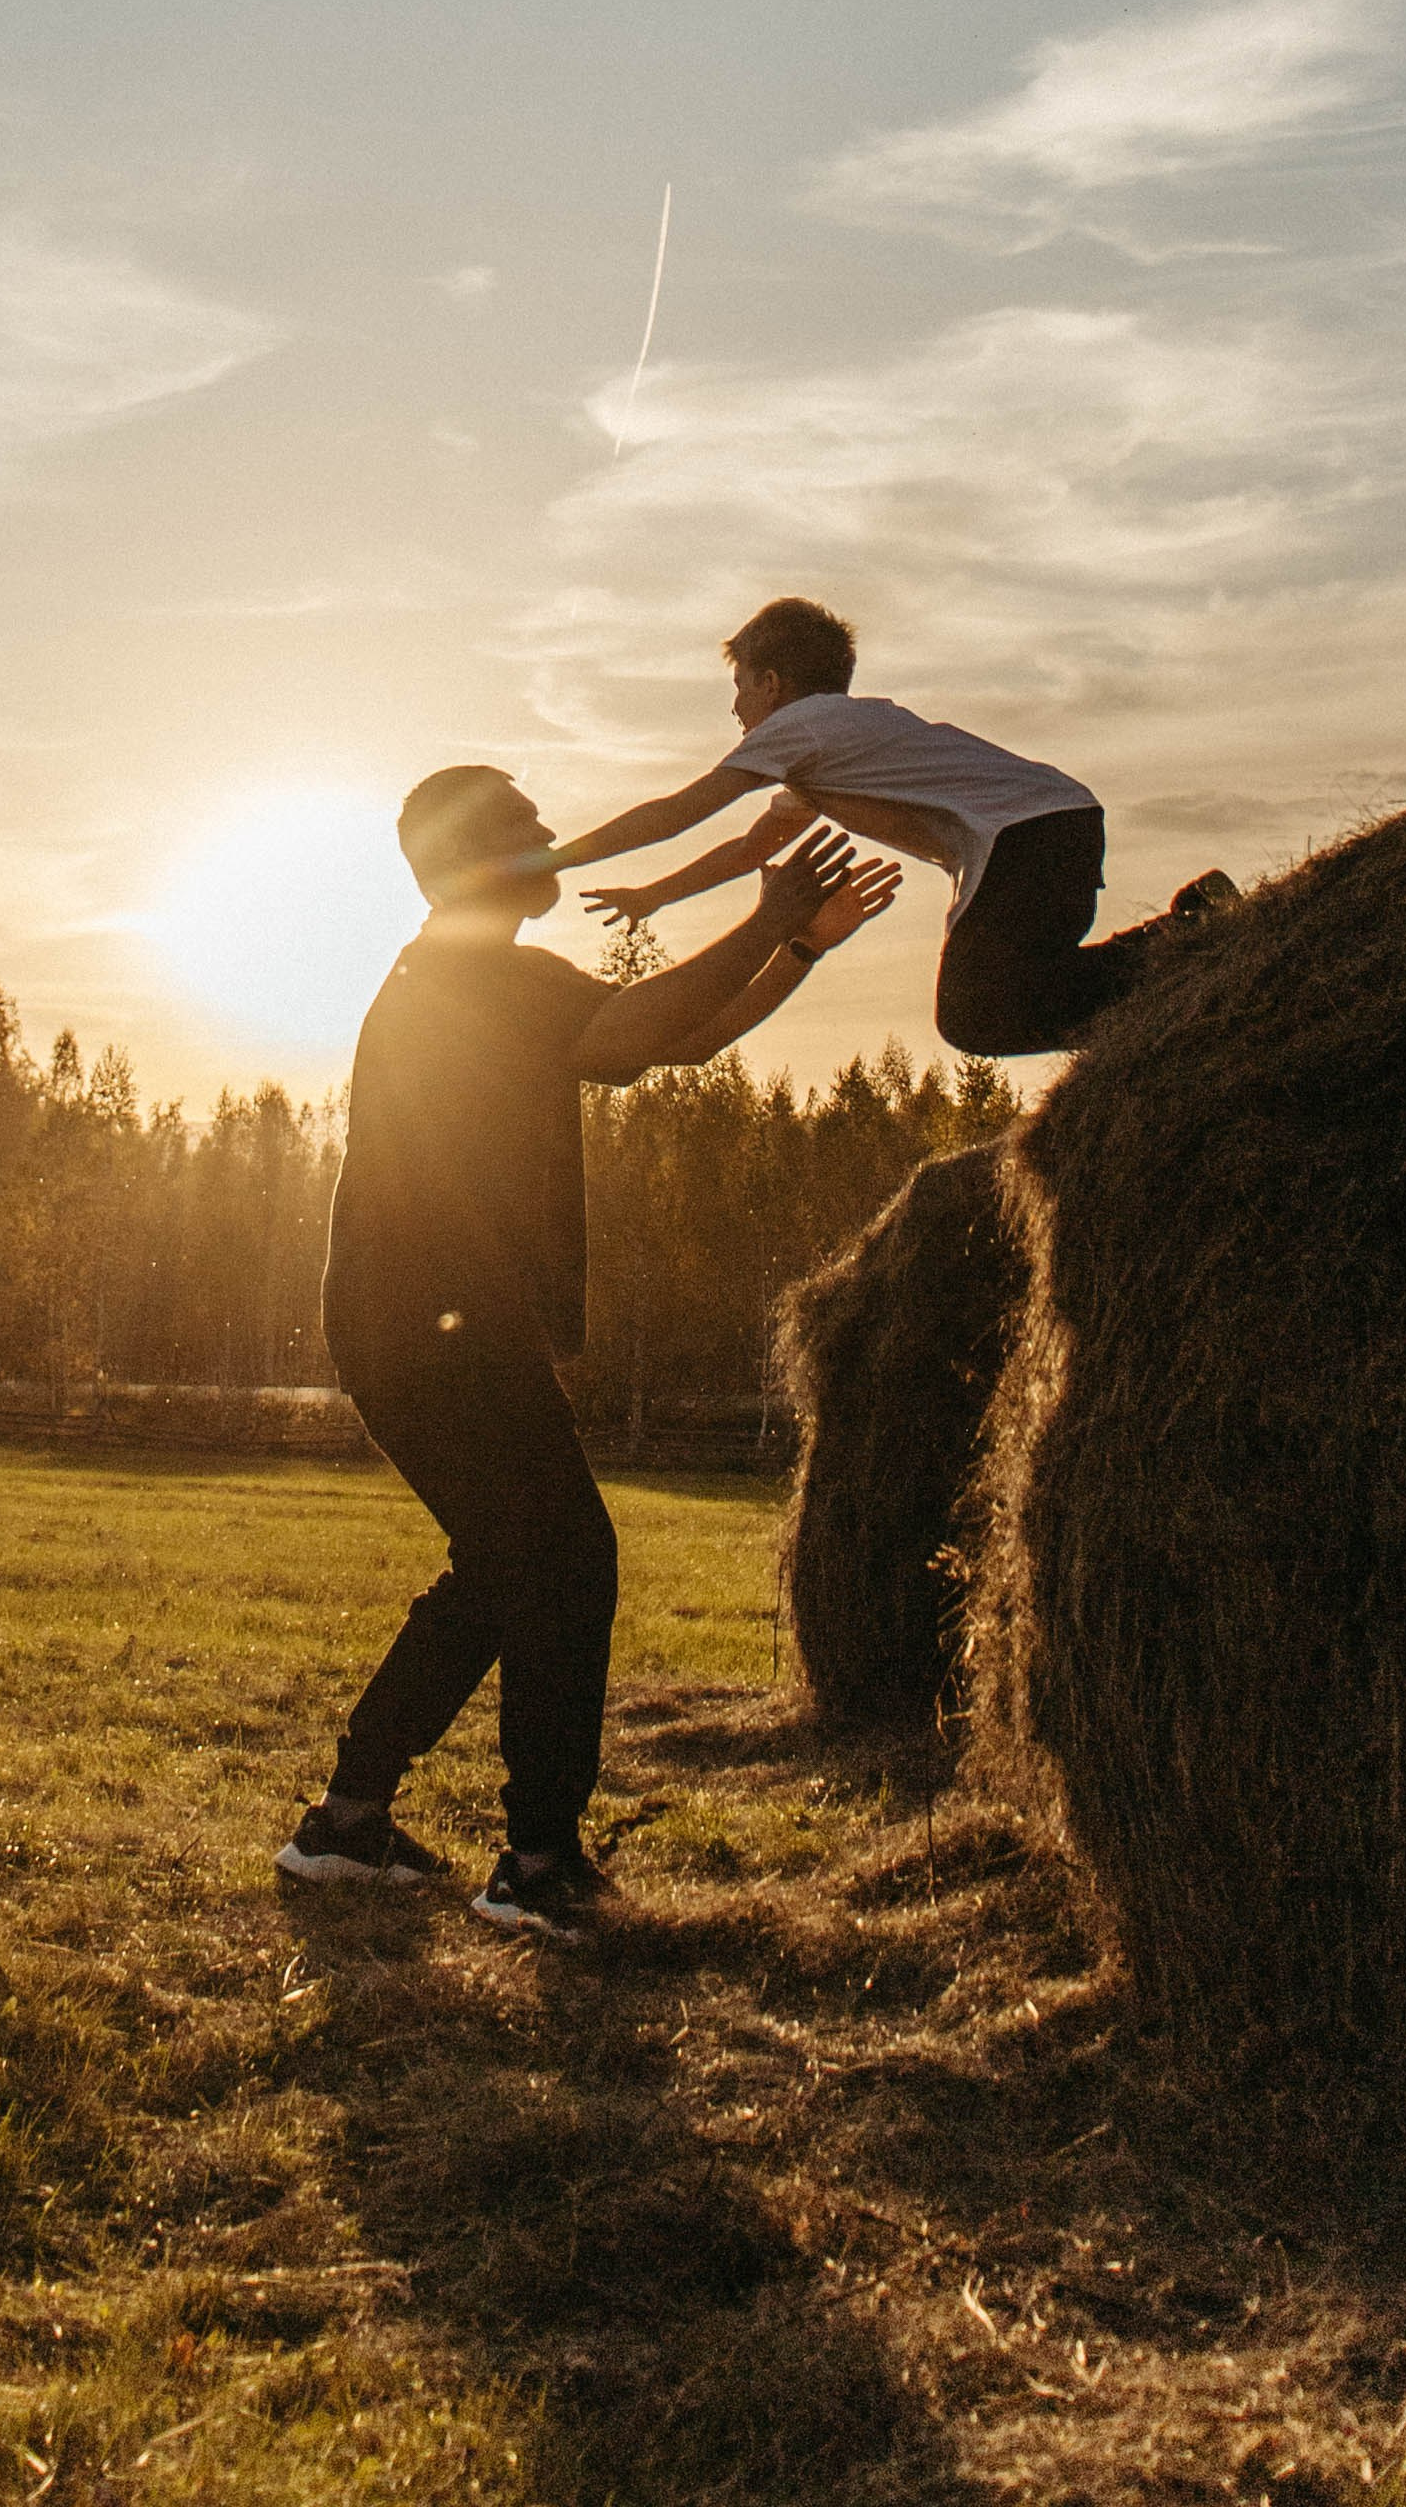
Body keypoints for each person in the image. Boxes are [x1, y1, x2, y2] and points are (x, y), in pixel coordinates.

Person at [275, 760, 897, 1940]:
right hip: (429, 1320)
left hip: (425, 1317)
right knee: (565, 1560)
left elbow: (672, 1042)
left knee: (506, 1563)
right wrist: (763, 917)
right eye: (526, 826)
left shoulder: (483, 971)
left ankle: (347, 1822)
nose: (554, 837)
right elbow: (637, 1023)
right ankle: (537, 1861)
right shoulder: (464, 976)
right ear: (472, 859)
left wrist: (795, 948)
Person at [549, 596, 1235, 1059]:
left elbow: (677, 811)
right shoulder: (834, 746)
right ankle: (1185, 964)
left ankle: (1189, 938)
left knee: (973, 1016)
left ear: (771, 683)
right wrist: (652, 898)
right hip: (1055, 826)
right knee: (1013, 999)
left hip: (1024, 837)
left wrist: (548, 862)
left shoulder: (800, 728)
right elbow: (747, 849)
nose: (734, 708)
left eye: (740, 686)